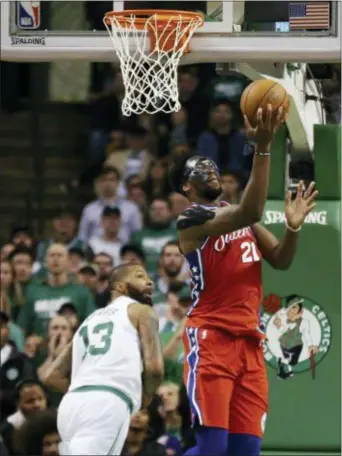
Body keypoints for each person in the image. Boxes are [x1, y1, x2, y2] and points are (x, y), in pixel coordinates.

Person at [174, 106, 318, 456]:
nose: (210, 171)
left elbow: (282, 259)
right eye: (200, 169)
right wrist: (263, 148)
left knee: (246, 451)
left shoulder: (241, 219)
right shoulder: (190, 220)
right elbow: (249, 210)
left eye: (213, 168)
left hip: (250, 345)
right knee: (213, 451)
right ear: (186, 186)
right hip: (212, 337)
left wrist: (293, 227)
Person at [49, 263, 164, 455]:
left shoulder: (90, 319)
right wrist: (144, 398)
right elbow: (155, 370)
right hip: (108, 402)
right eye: (140, 276)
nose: (150, 282)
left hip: (70, 406)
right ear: (120, 286)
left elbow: (51, 376)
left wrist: (89, 388)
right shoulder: (142, 311)